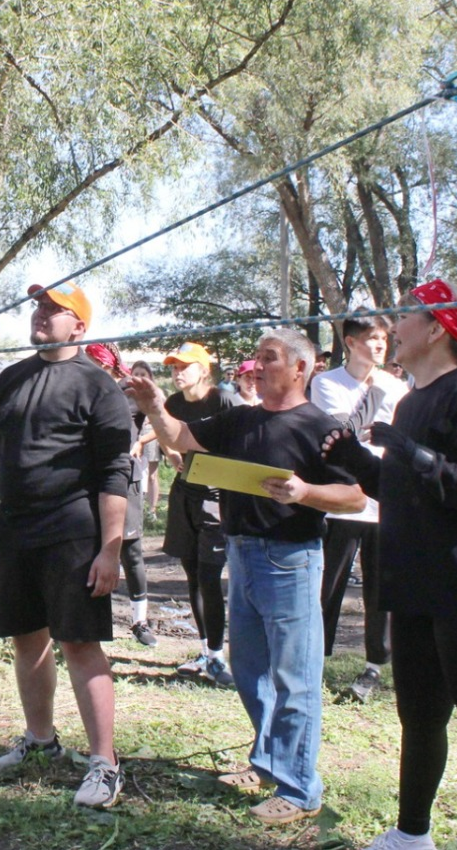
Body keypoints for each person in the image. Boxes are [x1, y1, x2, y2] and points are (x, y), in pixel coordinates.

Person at [321, 278, 457, 850]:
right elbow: (407, 490)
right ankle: (411, 835)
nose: (396, 326)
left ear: (439, 328)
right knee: (419, 720)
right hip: (419, 587)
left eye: (409, 316)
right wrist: (354, 461)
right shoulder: (414, 399)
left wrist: (414, 453)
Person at [129, 328, 363, 827]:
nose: (258, 366)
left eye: (270, 358)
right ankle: (267, 764)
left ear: (302, 368)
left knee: (294, 678)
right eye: (257, 357)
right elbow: (179, 437)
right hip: (243, 553)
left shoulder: (323, 427)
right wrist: (153, 405)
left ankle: (300, 790)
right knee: (251, 669)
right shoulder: (240, 419)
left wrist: (304, 492)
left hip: (292, 560)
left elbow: (357, 497)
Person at [0, 281, 131, 810]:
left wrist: (111, 548)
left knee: (78, 642)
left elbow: (114, 473)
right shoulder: (10, 379)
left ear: (79, 326)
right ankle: (40, 741)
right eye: (39, 306)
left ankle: (105, 764)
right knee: (26, 637)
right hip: (15, 527)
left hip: (73, 529)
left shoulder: (100, 387)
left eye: (54, 309)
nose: (41, 314)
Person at [308, 312, 408, 703]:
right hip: (339, 501)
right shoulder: (326, 383)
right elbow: (341, 436)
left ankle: (373, 667)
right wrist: (373, 402)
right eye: (371, 338)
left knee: (381, 589)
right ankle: (316, 658)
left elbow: (393, 438)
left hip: (384, 502)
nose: (380, 345)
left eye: (384, 338)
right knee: (328, 584)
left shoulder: (396, 385)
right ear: (350, 342)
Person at [158, 341, 242, 683]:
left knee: (210, 578)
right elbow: (160, 427)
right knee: (192, 575)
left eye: (185, 367)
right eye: (174, 367)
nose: (178, 373)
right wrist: (170, 451)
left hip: (217, 498)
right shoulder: (173, 403)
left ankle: (220, 658)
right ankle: (207, 652)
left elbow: (243, 445)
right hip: (184, 496)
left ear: (203, 370)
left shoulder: (224, 401)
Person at [86, 342, 158, 648]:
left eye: (93, 362)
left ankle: (139, 621)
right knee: (90, 548)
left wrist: (142, 441)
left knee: (129, 552)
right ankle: (88, 621)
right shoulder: (85, 390)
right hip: (91, 481)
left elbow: (168, 416)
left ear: (108, 364)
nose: (87, 367)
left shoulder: (127, 389)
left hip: (126, 480)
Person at [128, 360, 163, 522]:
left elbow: (163, 423)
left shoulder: (157, 394)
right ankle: (137, 509)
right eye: (136, 374)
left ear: (150, 376)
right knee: (136, 474)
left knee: (151, 475)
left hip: (150, 434)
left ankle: (152, 510)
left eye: (143, 374)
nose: (139, 378)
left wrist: (144, 440)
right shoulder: (127, 393)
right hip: (134, 436)